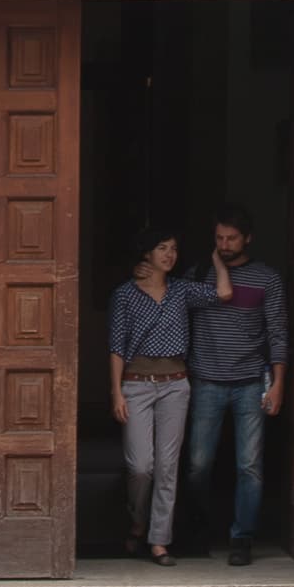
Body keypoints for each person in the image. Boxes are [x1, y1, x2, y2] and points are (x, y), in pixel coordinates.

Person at [182, 212, 290, 566]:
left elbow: (277, 332)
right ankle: (198, 529)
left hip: (250, 383)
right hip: (206, 381)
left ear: (248, 238)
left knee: (250, 466)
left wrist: (278, 384)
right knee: (198, 464)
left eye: (231, 238)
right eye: (219, 239)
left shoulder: (267, 279)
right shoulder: (199, 274)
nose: (224, 245)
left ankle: (242, 538)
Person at [105, 230, 204, 565]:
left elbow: (223, 293)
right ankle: (138, 520)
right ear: (146, 254)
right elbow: (116, 345)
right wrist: (116, 392)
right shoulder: (125, 294)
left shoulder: (182, 290)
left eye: (174, 248)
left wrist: (217, 260)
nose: (169, 254)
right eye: (162, 248)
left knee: (167, 466)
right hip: (136, 385)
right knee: (141, 466)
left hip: (175, 384)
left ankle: (159, 540)